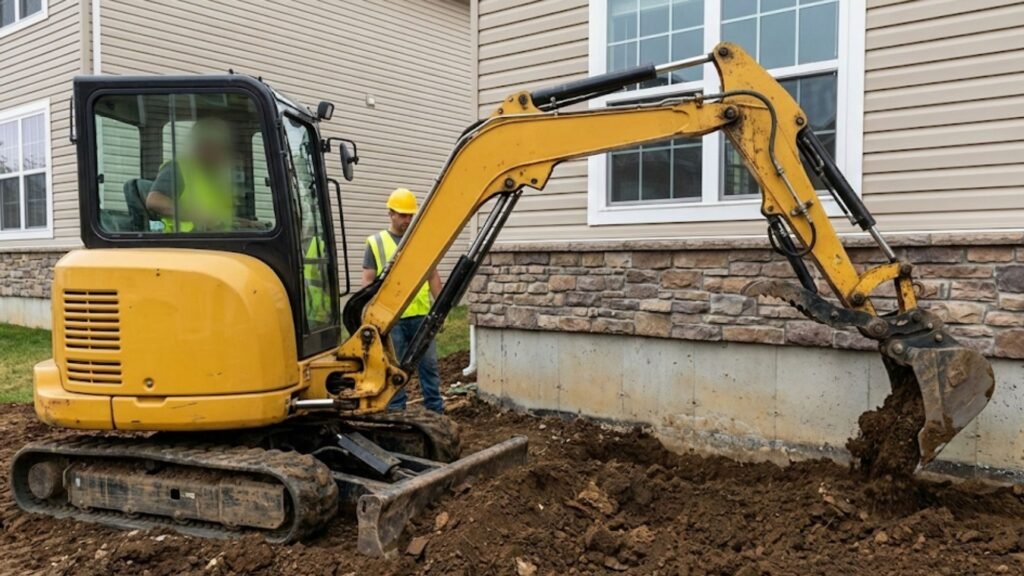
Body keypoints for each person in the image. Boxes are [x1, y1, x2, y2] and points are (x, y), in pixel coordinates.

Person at [362, 188, 444, 413]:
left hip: (420, 316)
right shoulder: (376, 243)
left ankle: (435, 411)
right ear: (391, 214)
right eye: (403, 215)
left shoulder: (421, 241)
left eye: (410, 215)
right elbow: (368, 281)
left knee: (429, 367)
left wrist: (440, 309)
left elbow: (433, 275)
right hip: (392, 319)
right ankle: (397, 413)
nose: (407, 219)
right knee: (394, 370)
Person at [145, 117, 237, 233]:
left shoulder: (212, 177)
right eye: (220, 149)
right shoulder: (178, 169)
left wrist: (242, 223)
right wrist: (198, 217)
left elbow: (217, 216)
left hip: (216, 240)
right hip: (186, 243)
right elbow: (154, 201)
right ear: (205, 147)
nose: (224, 156)